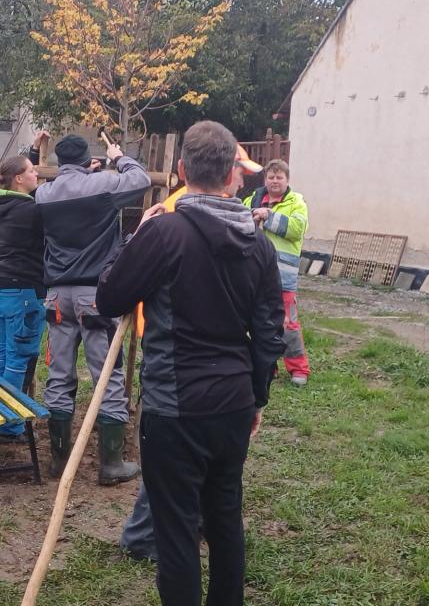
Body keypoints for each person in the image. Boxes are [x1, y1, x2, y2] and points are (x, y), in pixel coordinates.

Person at [97, 120, 284, 606]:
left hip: (175, 411)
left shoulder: (163, 233)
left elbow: (109, 297)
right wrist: (257, 397)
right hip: (233, 405)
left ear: (181, 170)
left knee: (177, 531)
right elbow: (270, 333)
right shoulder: (259, 244)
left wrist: (137, 235)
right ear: (232, 175)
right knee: (224, 518)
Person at [120, 143, 262, 562]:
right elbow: (123, 289)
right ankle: (146, 534)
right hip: (179, 356)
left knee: (189, 464)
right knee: (175, 466)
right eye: (241, 172)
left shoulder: (232, 220)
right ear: (224, 172)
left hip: (203, 364)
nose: (243, 181)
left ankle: (190, 524)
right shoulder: (174, 216)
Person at [35, 133, 151, 484]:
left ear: (59, 162)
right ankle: (111, 464)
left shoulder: (44, 194)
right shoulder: (103, 185)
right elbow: (141, 180)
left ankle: (59, 461)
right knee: (107, 376)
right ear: (89, 160)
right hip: (95, 297)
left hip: (57, 297)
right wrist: (118, 156)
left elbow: (72, 188)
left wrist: (87, 172)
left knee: (59, 375)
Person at [0, 151, 46, 442]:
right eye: (32, 170)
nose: (38, 174)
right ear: (19, 179)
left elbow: (14, 169)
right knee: (17, 360)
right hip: (22, 293)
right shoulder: (30, 211)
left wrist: (32, 150)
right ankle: (10, 427)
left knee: (0, 354)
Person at [244, 159, 311, 386]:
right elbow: (239, 222)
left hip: (283, 277)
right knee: (259, 322)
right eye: (271, 177)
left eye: (279, 177)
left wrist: (268, 216)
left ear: (287, 180)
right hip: (255, 275)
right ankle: (267, 365)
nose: (275, 181)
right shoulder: (251, 200)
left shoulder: (296, 202)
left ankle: (298, 369)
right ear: (265, 180)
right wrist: (252, 216)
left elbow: (296, 229)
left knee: (288, 324)